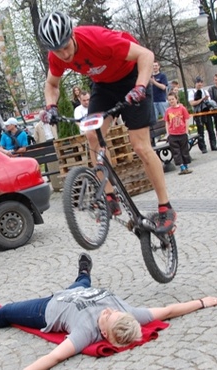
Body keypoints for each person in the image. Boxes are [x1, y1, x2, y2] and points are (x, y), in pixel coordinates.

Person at [0, 253, 217, 370]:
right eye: (111, 313)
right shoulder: (129, 313)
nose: (106, 311)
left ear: (102, 334)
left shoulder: (85, 333)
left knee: (5, 312)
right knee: (82, 281)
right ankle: (83, 272)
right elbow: (169, 310)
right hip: (76, 291)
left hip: (47, 308)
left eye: (106, 318)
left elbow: (52, 357)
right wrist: (202, 302)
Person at [38, 11, 175, 232]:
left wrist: (140, 86)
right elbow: (52, 85)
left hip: (132, 78)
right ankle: (110, 198)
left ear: (71, 35)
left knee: (139, 145)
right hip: (103, 86)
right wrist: (50, 106)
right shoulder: (56, 56)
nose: (64, 54)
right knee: (92, 134)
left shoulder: (98, 40)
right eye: (57, 50)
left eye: (66, 46)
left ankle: (165, 208)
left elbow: (146, 55)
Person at [164, 92, 192, 175]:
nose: (171, 101)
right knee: (176, 151)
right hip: (173, 134)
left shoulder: (182, 109)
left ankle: (186, 165)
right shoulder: (168, 111)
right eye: (169, 100)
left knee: (184, 150)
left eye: (173, 99)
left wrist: (186, 131)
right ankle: (181, 166)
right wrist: (168, 133)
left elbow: (186, 120)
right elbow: (167, 122)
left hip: (182, 133)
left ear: (176, 99)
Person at [188, 77, 217, 153]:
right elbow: (192, 103)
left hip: (207, 113)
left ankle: (213, 145)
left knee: (211, 130)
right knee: (200, 132)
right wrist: (201, 99)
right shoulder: (192, 92)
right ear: (195, 83)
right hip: (198, 114)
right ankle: (203, 147)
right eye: (198, 82)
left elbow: (209, 102)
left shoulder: (205, 91)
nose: (200, 84)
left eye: (201, 82)